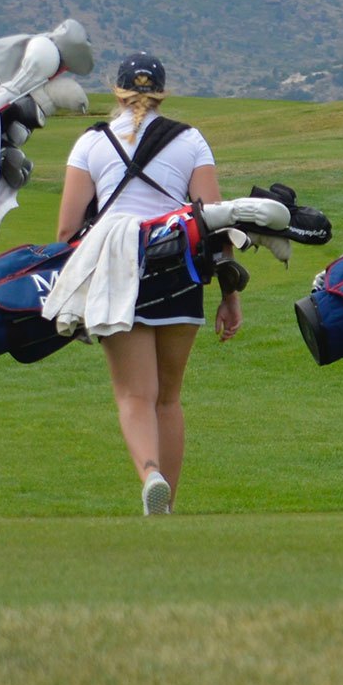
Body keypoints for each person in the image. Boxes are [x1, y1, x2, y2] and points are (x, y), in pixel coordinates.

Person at [53, 52, 242, 515]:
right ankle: (168, 504)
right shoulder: (190, 140)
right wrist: (230, 295)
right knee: (169, 397)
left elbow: (65, 230)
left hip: (119, 274)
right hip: (181, 270)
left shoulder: (91, 142)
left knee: (134, 394)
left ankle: (149, 473)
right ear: (162, 92)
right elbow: (214, 221)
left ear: (117, 92)